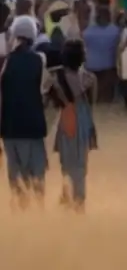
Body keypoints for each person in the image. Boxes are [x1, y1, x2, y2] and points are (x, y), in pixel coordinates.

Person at [0, 15, 52, 207]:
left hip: (9, 129)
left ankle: (20, 218)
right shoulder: (40, 60)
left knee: (16, 178)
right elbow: (45, 92)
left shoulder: (5, 62)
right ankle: (37, 218)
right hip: (33, 128)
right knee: (36, 176)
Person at [49, 39, 98, 211]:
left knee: (67, 164)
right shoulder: (90, 78)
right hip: (83, 120)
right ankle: (78, 203)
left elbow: (54, 103)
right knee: (80, 165)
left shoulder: (56, 78)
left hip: (65, 119)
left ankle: (67, 198)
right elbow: (92, 103)